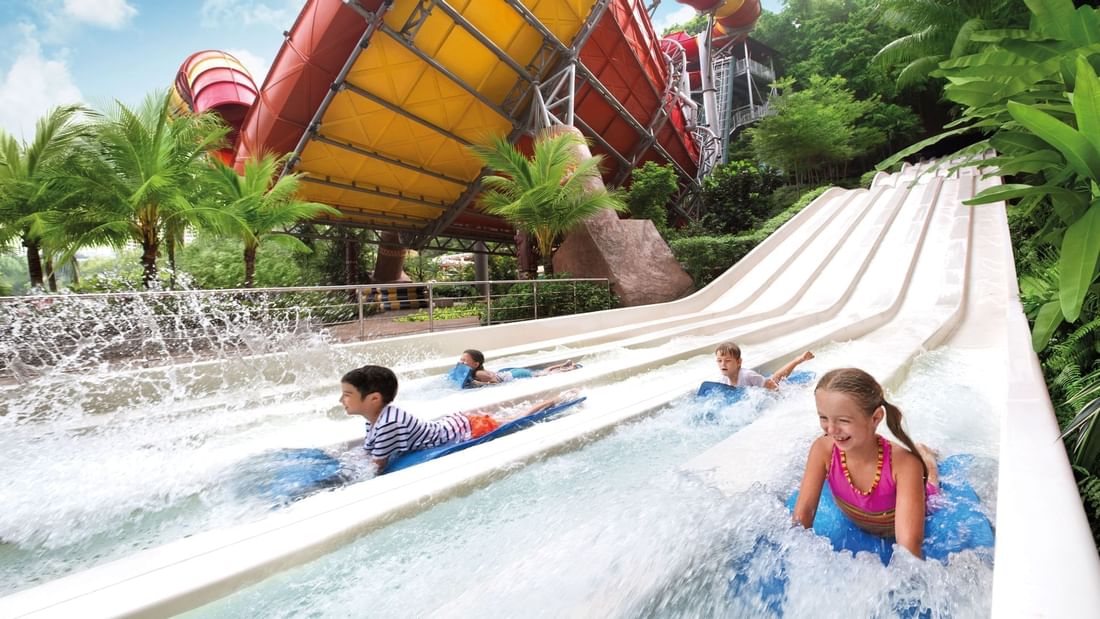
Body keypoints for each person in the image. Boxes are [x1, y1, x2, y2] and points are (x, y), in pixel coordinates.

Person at [792, 367, 940, 558]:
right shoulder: (823, 450)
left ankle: (927, 456)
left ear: (876, 418)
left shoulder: (905, 465)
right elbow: (802, 516)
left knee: (929, 477)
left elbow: (909, 547)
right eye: (823, 418)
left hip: (920, 497)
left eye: (843, 420)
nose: (831, 429)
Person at [340, 364, 577, 474]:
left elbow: (377, 465)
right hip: (454, 424)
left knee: (515, 419)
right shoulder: (375, 418)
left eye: (347, 394)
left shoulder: (388, 422)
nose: (342, 400)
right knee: (507, 417)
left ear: (374, 399)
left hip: (467, 429)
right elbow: (369, 449)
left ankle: (555, 400)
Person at [714, 341, 814, 390]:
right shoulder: (722, 380)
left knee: (776, 379)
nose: (723, 364)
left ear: (739, 362)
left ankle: (798, 360)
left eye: (728, 360)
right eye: (719, 361)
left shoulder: (748, 375)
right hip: (759, 386)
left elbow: (772, 386)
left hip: (768, 386)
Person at [459, 349, 578, 386]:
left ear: (476, 364)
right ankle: (564, 365)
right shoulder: (479, 370)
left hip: (514, 375)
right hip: (511, 373)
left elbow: (496, 384)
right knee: (541, 372)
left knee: (543, 375)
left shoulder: (478, 374)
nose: (461, 362)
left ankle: (568, 369)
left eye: (465, 361)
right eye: (461, 359)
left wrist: (478, 383)